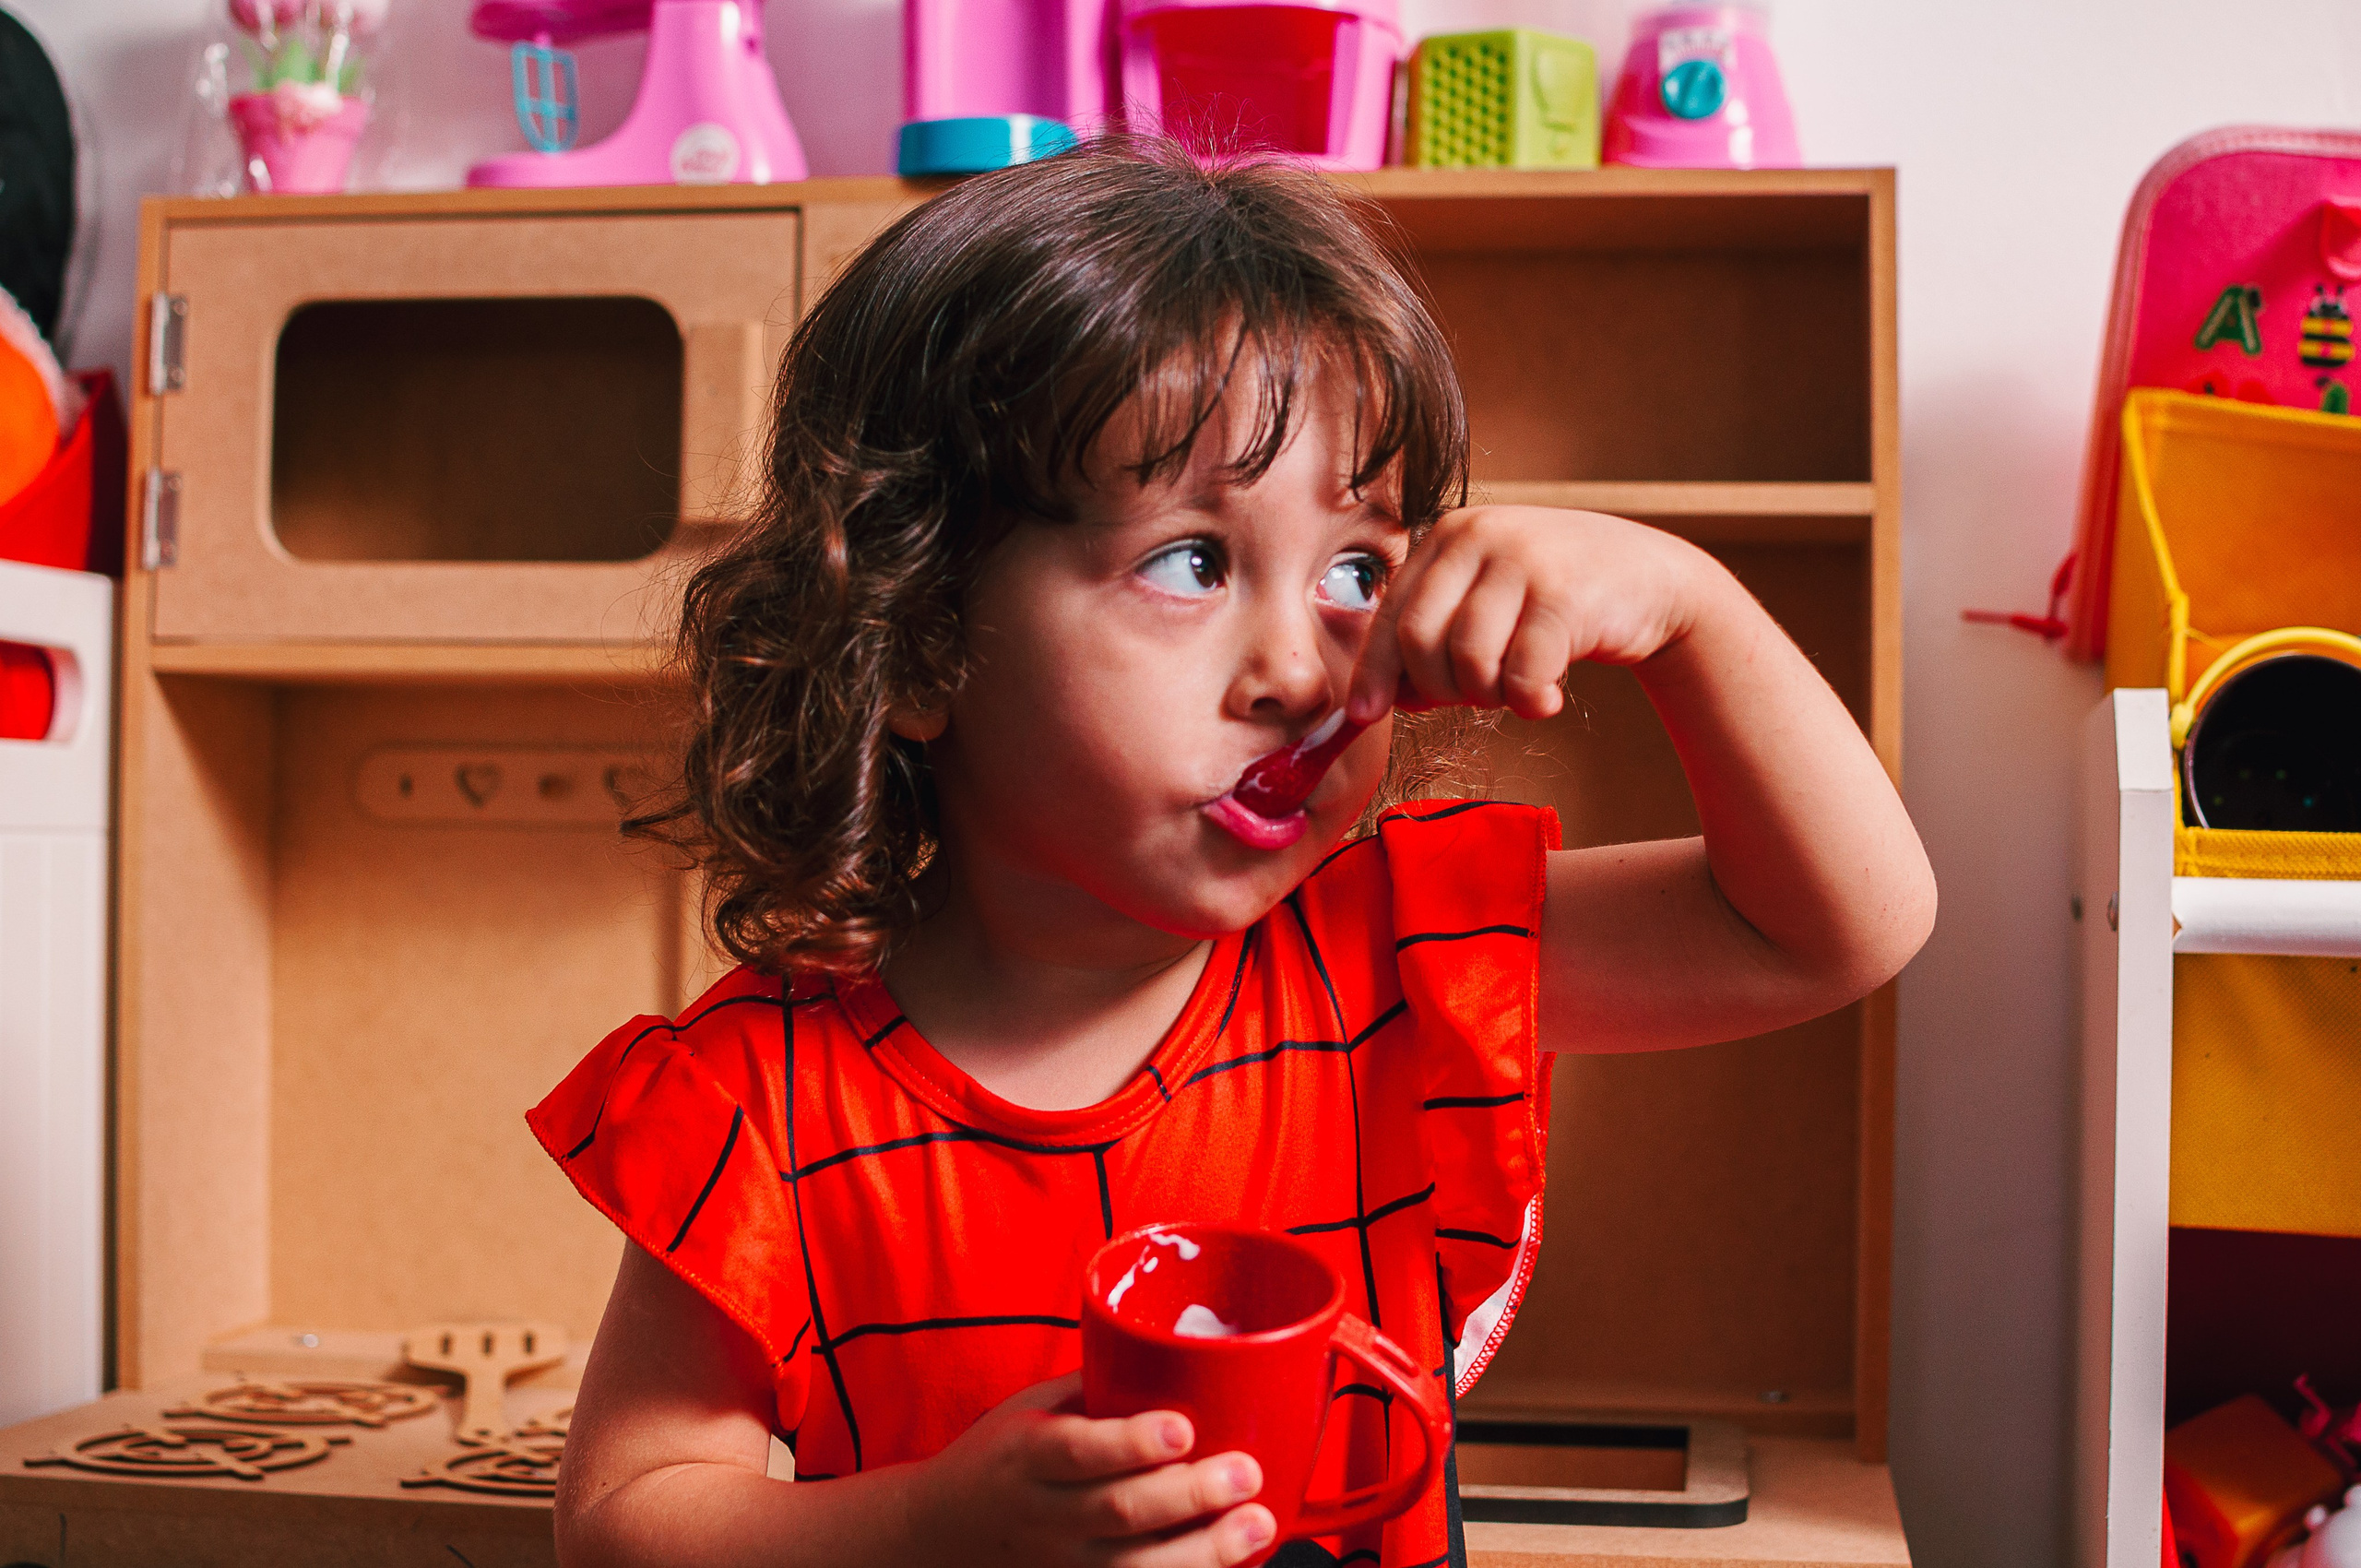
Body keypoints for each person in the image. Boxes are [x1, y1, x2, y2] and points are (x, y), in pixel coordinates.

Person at [531, 137, 1935, 1568]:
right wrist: (932, 1529)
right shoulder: (757, 1100)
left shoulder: (1397, 952)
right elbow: (626, 1522)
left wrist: (1691, 608)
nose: (1299, 668)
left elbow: (1838, 928)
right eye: (1193, 560)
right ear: (917, 640)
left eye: (1355, 572)